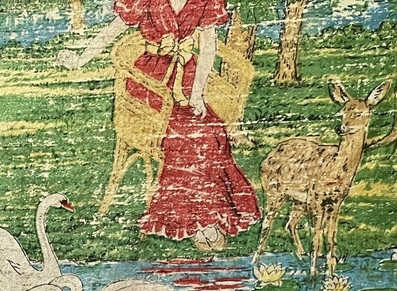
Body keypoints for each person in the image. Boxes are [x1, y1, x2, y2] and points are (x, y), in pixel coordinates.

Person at [56, 0, 260, 252]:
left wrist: (197, 93)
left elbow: (208, 45)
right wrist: (80, 59)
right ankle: (197, 221)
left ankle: (210, 213)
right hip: (150, 78)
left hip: (187, 75)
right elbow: (115, 28)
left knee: (210, 131)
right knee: (185, 135)